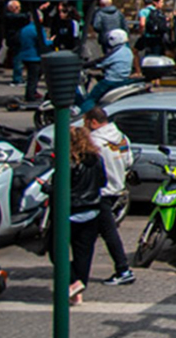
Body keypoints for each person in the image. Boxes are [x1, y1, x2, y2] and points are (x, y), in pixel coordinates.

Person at [85, 108, 135, 285]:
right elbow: (129, 161)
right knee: (94, 233)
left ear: (93, 122)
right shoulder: (121, 137)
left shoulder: (94, 141)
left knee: (107, 233)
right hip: (117, 190)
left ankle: (123, 269)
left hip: (101, 193)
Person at [66, 124, 108, 306]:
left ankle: (74, 282)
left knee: (56, 250)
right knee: (83, 252)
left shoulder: (69, 161)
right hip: (92, 210)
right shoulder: (96, 159)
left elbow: (61, 187)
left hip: (70, 212)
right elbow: (103, 181)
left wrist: (45, 187)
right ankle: (78, 290)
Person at [80, 29, 133, 114]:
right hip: (123, 80)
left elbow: (100, 62)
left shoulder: (115, 52)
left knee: (91, 99)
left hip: (111, 81)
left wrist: (83, 65)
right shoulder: (127, 50)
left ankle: (82, 116)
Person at [14, 10, 45, 101]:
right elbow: (42, 43)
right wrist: (51, 41)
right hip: (35, 57)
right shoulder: (37, 29)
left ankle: (32, 92)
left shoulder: (24, 29)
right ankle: (30, 95)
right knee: (34, 78)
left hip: (25, 55)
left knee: (32, 76)